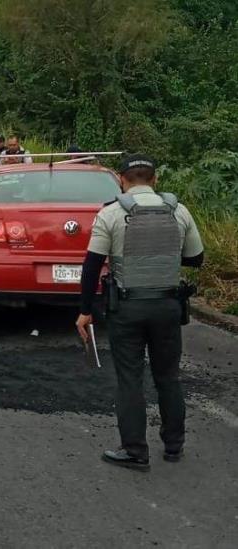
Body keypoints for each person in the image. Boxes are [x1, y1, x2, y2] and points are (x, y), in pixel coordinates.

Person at [76, 154, 205, 472]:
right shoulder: (179, 211)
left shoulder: (111, 213)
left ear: (122, 179)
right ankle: (174, 445)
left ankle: (135, 450)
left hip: (128, 307)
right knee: (168, 377)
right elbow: (196, 258)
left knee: (130, 379)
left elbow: (92, 266)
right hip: (167, 307)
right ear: (155, 180)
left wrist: (85, 312)